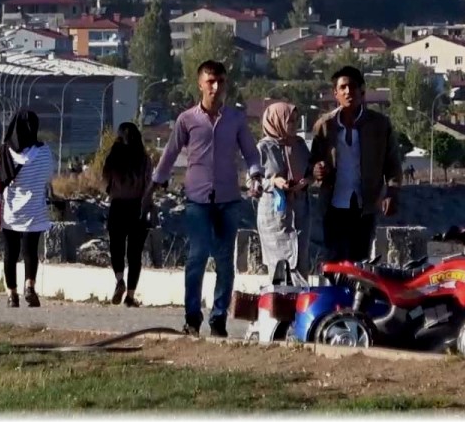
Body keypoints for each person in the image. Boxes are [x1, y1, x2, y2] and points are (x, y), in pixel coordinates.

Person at [151, 60, 263, 337]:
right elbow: (171, 150)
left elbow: (250, 152)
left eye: (220, 82)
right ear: (200, 84)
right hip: (197, 199)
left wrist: (256, 175)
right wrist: (157, 180)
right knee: (197, 256)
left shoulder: (235, 119)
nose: (215, 87)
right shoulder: (187, 119)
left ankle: (219, 317)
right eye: (210, 81)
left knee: (225, 260)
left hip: (228, 198)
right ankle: (192, 317)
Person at [309, 66, 403, 264]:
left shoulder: (379, 125)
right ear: (336, 93)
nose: (348, 92)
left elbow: (392, 162)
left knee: (360, 262)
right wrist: (317, 170)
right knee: (335, 263)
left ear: (362, 91)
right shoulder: (324, 126)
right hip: (333, 205)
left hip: (365, 205)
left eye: (353, 87)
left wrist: (392, 192)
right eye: (342, 88)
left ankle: (356, 296)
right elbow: (312, 163)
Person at [0, 110, 53, 308]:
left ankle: (12, 295)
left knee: (10, 253)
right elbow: (48, 176)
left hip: (11, 212)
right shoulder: (44, 152)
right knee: (30, 252)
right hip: (35, 210)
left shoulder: (4, 152)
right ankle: (30, 286)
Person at [257, 101, 312, 279]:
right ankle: (280, 303)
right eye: (290, 121)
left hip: (300, 209)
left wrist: (305, 181)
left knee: (300, 261)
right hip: (275, 214)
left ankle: (299, 304)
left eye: (296, 121)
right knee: (280, 267)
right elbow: (255, 181)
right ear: (277, 121)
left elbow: (310, 171)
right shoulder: (264, 148)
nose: (294, 126)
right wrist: (274, 182)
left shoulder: (299, 145)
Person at [102, 122, 154, 307]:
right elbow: (149, 184)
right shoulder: (144, 159)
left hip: (117, 206)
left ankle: (119, 280)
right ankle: (130, 296)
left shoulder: (113, 158)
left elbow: (106, 181)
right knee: (135, 254)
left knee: (116, 248)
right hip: (137, 208)